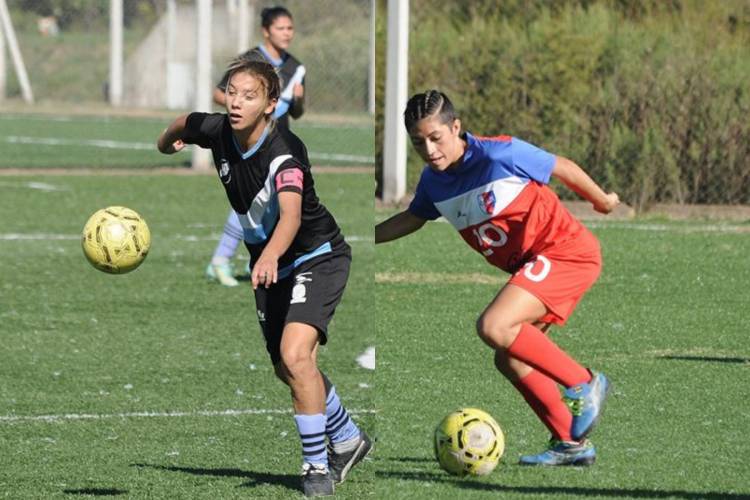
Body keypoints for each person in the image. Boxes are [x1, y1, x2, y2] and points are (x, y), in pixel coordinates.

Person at [157, 57, 371, 497]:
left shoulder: (285, 153)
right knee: (286, 368)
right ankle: (348, 438)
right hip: (271, 264)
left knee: (295, 356)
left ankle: (315, 467)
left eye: (249, 96)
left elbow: (290, 216)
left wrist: (270, 254)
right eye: (231, 92)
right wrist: (167, 143)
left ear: (271, 104)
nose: (236, 102)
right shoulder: (217, 129)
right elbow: (182, 123)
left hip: (316, 256)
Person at [375, 90, 619, 466]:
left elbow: (561, 166)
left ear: (456, 128)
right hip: (538, 262)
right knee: (511, 358)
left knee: (494, 326)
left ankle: (584, 382)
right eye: (418, 142)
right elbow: (413, 217)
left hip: (566, 252)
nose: (429, 149)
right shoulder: (433, 182)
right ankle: (572, 443)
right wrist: (364, 235)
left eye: (436, 137)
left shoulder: (499, 153)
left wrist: (600, 199)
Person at [207, 6, 306, 287]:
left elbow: (297, 113)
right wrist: (247, 105)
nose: (287, 33)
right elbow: (218, 92)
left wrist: (297, 100)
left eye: (290, 28)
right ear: (266, 31)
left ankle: (269, 262)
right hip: (249, 145)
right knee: (252, 202)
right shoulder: (250, 62)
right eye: (280, 28)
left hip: (278, 147)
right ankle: (221, 260)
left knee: (275, 207)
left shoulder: (296, 68)